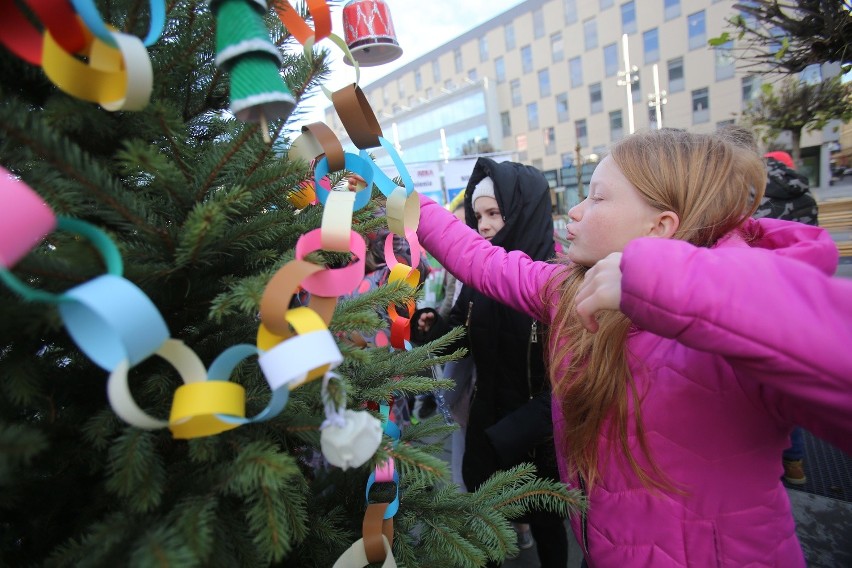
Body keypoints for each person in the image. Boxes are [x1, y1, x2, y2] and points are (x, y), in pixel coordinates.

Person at [414, 129, 852, 567]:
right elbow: (482, 261)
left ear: (659, 226)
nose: (577, 212)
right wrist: (403, 202)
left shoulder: (734, 330)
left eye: (598, 199)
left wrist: (668, 283)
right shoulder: (573, 290)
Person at [412, 158, 569, 567]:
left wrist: (520, 430)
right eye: (476, 215)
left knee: (548, 528)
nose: (482, 225)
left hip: (538, 443)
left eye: (494, 213)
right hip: (485, 432)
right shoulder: (478, 283)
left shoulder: (556, 285)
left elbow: (574, 384)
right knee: (487, 530)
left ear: (523, 210)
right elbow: (460, 343)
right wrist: (433, 329)